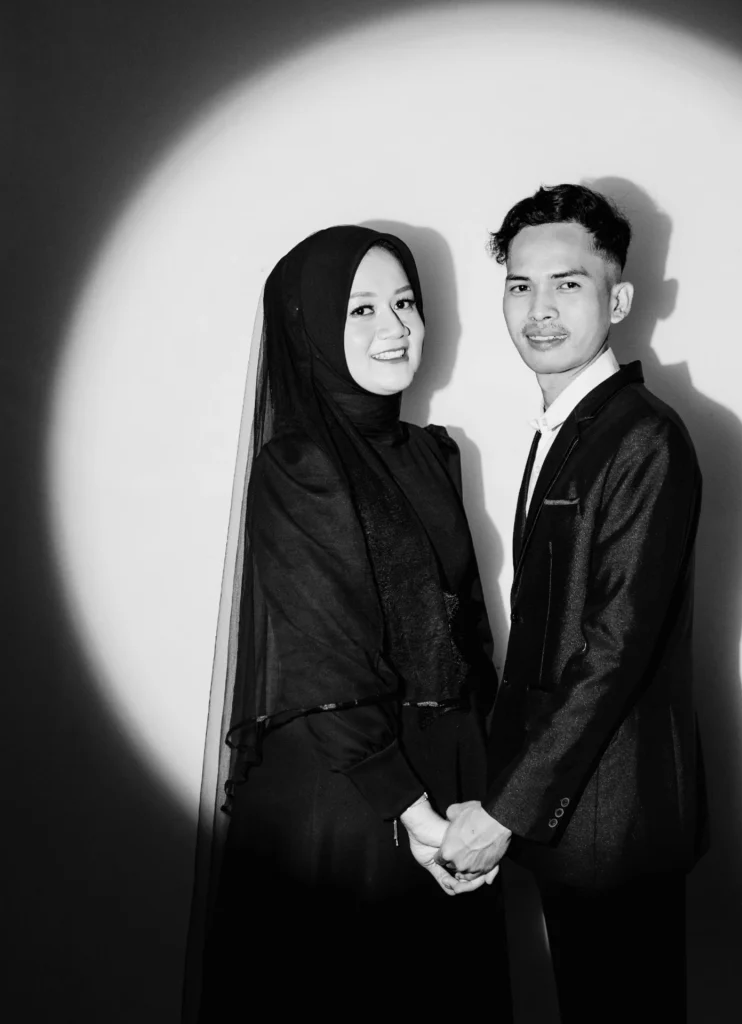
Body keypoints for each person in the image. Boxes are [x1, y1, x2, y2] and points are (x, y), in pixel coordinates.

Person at [196, 226, 508, 1021]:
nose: (394, 327)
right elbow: (324, 658)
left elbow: (466, 635)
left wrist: (490, 794)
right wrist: (417, 817)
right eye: (360, 309)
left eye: (405, 302)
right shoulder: (298, 466)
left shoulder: (435, 453)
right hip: (350, 801)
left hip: (448, 786)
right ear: (310, 330)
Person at [439, 184, 707, 1021]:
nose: (540, 310)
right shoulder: (568, 428)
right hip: (572, 815)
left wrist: (506, 811)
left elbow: (613, 648)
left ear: (618, 301)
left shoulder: (644, 438)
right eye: (520, 286)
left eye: (568, 283)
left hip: (615, 823)